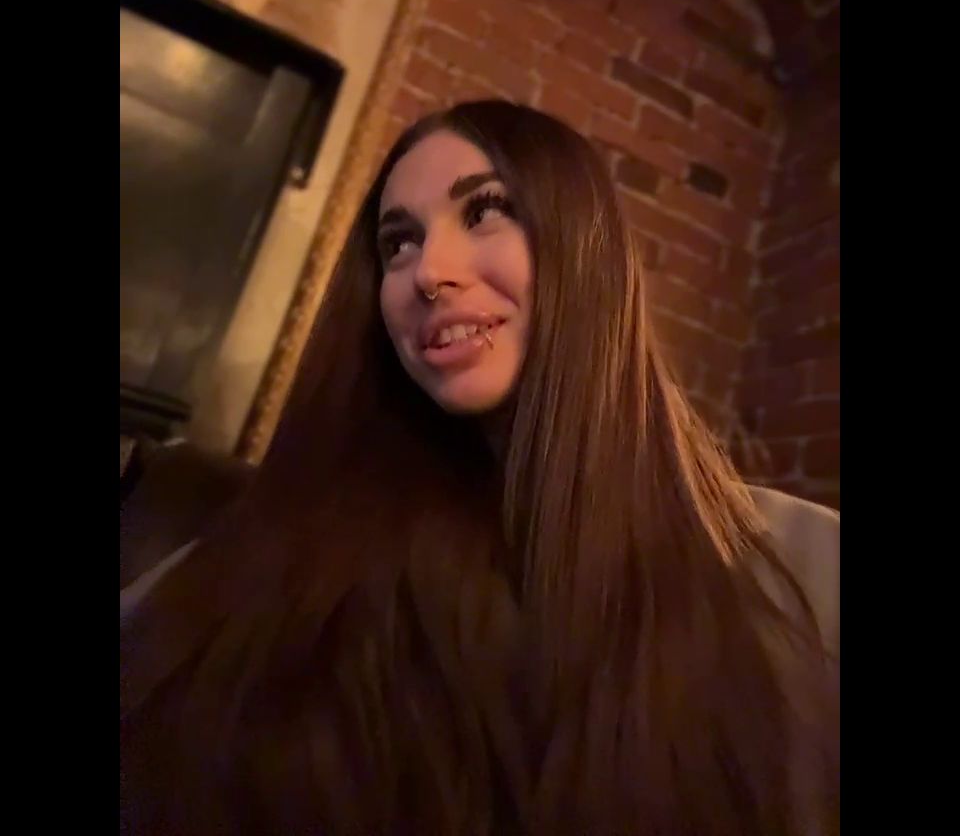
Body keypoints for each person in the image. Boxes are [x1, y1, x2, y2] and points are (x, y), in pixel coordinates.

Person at [120, 100, 839, 835]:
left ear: (584, 244)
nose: (428, 272)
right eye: (398, 243)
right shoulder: (284, 546)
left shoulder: (805, 573)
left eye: (485, 211)